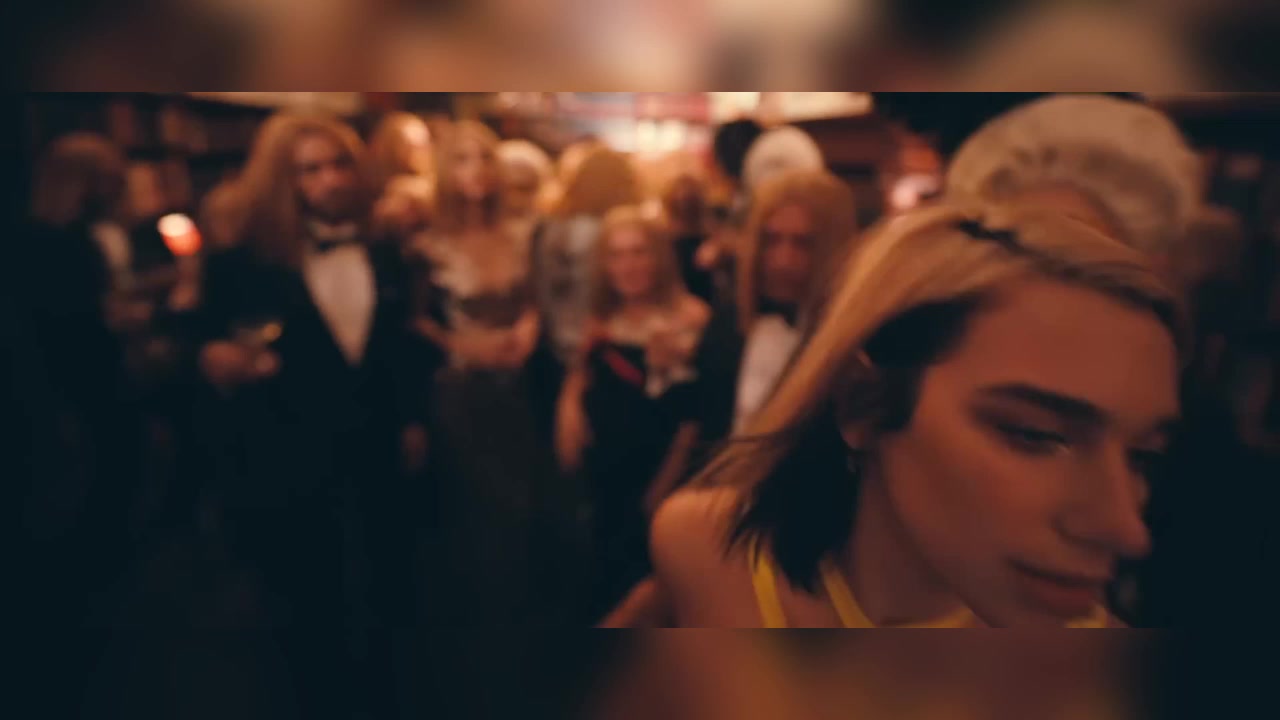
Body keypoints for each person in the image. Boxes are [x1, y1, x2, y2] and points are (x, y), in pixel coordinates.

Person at [628, 202, 1187, 627]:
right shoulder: (705, 548)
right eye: (1036, 435)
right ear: (863, 403)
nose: (1125, 528)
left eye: (1143, 457)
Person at [195, 111, 429, 717]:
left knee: (391, 588)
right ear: (283, 180)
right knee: (304, 598)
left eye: (339, 163)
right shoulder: (240, 261)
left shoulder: (385, 248)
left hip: (376, 439)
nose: (331, 180)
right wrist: (219, 360)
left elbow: (398, 345)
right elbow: (202, 344)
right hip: (285, 447)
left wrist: (411, 420)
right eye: (310, 169)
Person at [411, 120, 560, 627]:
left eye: (484, 158)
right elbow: (413, 319)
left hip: (520, 381)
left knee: (528, 502)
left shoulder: (523, 231)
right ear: (445, 170)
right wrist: (463, 345)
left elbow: (536, 299)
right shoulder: (427, 243)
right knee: (473, 507)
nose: (476, 169)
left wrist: (529, 327)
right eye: (462, 159)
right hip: (460, 387)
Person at [555, 206, 711, 621]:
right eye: (617, 255)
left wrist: (663, 485)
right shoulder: (604, 317)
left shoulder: (691, 317)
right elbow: (582, 371)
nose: (628, 266)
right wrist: (568, 406)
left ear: (659, 257)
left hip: (659, 478)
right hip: (604, 477)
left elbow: (693, 418)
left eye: (639, 252)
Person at [686, 169, 857, 476]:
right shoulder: (728, 322)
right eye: (771, 240)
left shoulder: (855, 346)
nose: (782, 261)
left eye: (803, 244)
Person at [532, 144, 643, 370]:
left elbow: (543, 290)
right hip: (604, 342)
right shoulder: (618, 233)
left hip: (558, 340)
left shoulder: (552, 230)